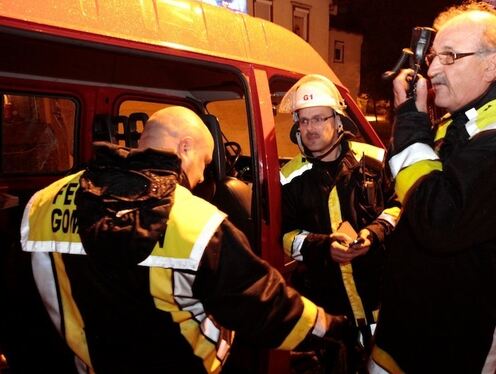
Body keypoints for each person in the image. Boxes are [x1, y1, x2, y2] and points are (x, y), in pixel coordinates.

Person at [20, 106, 344, 373]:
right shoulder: (197, 221)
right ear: (185, 147)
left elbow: (20, 304)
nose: (202, 177)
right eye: (204, 163)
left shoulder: (44, 202)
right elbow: (259, 302)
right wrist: (327, 327)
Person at [369, 3, 496, 373]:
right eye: (434, 56)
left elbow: (438, 218)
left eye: (450, 57)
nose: (433, 69)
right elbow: (412, 194)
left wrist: (409, 117)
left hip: (457, 347)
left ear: (492, 65)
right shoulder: (463, 122)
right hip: (407, 329)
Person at [278, 74, 401, 372]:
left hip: (380, 306)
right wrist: (323, 246)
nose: (310, 128)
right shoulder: (290, 177)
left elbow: (398, 207)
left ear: (338, 121)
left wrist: (373, 234)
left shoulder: (374, 161)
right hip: (329, 312)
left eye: (319, 118)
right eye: (304, 121)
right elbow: (285, 236)